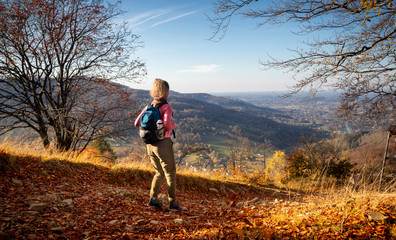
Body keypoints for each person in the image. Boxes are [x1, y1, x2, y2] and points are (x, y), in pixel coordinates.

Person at [134, 78, 183, 211]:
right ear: (166, 91)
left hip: (149, 144)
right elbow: (167, 125)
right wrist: (173, 125)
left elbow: (137, 123)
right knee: (170, 172)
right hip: (163, 143)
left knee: (158, 172)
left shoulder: (148, 106)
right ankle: (172, 203)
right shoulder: (167, 107)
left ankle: (153, 199)